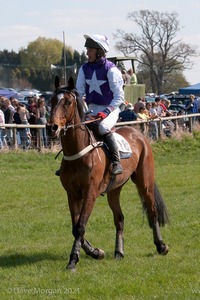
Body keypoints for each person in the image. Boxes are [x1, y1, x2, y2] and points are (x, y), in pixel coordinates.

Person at [76, 33, 125, 175]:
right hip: (91, 109)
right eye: (87, 50)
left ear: (99, 51)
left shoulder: (111, 69)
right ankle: (69, 163)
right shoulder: (84, 68)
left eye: (90, 50)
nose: (87, 53)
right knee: (75, 128)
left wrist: (106, 112)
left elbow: (119, 97)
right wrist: (84, 111)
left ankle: (116, 162)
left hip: (111, 108)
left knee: (103, 127)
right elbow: (79, 93)